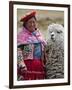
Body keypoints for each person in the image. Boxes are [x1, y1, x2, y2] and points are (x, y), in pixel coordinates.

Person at [17, 11, 47, 80]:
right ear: (25, 24)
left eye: (34, 22)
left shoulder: (39, 35)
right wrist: (21, 64)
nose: (32, 24)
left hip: (40, 66)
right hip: (27, 67)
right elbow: (18, 52)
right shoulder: (22, 37)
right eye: (30, 22)